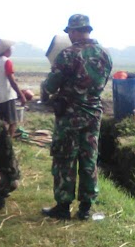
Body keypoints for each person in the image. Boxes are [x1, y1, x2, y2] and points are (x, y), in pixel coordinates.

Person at [40, 14, 113, 220]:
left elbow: (51, 85)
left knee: (65, 159)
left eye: (69, 32)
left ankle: (63, 207)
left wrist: (46, 92)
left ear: (73, 31)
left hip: (70, 117)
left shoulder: (68, 55)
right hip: (93, 115)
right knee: (89, 159)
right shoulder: (106, 55)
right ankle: (86, 208)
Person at [0, 39, 26, 139]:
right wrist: (21, 95)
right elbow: (12, 81)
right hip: (8, 96)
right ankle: (8, 143)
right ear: (7, 49)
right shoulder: (7, 61)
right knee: (13, 122)